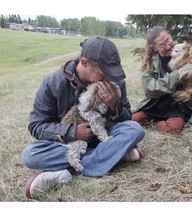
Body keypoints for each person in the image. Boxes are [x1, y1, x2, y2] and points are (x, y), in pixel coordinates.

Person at [22, 36, 145, 199]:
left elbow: (127, 117)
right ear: (84, 63)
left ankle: (69, 171)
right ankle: (115, 154)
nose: (110, 78)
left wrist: (114, 105)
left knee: (135, 129)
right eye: (104, 73)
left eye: (112, 72)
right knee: (30, 155)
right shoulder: (53, 82)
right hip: (68, 145)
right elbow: (36, 126)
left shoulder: (114, 81)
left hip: (105, 137)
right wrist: (71, 132)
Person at [132, 26, 192, 133]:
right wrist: (177, 75)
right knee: (134, 119)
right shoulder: (149, 62)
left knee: (173, 128)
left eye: (168, 40)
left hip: (177, 106)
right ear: (154, 48)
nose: (168, 46)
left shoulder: (186, 55)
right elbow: (149, 89)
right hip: (156, 103)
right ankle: (155, 119)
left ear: (169, 34)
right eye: (162, 45)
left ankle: (156, 122)